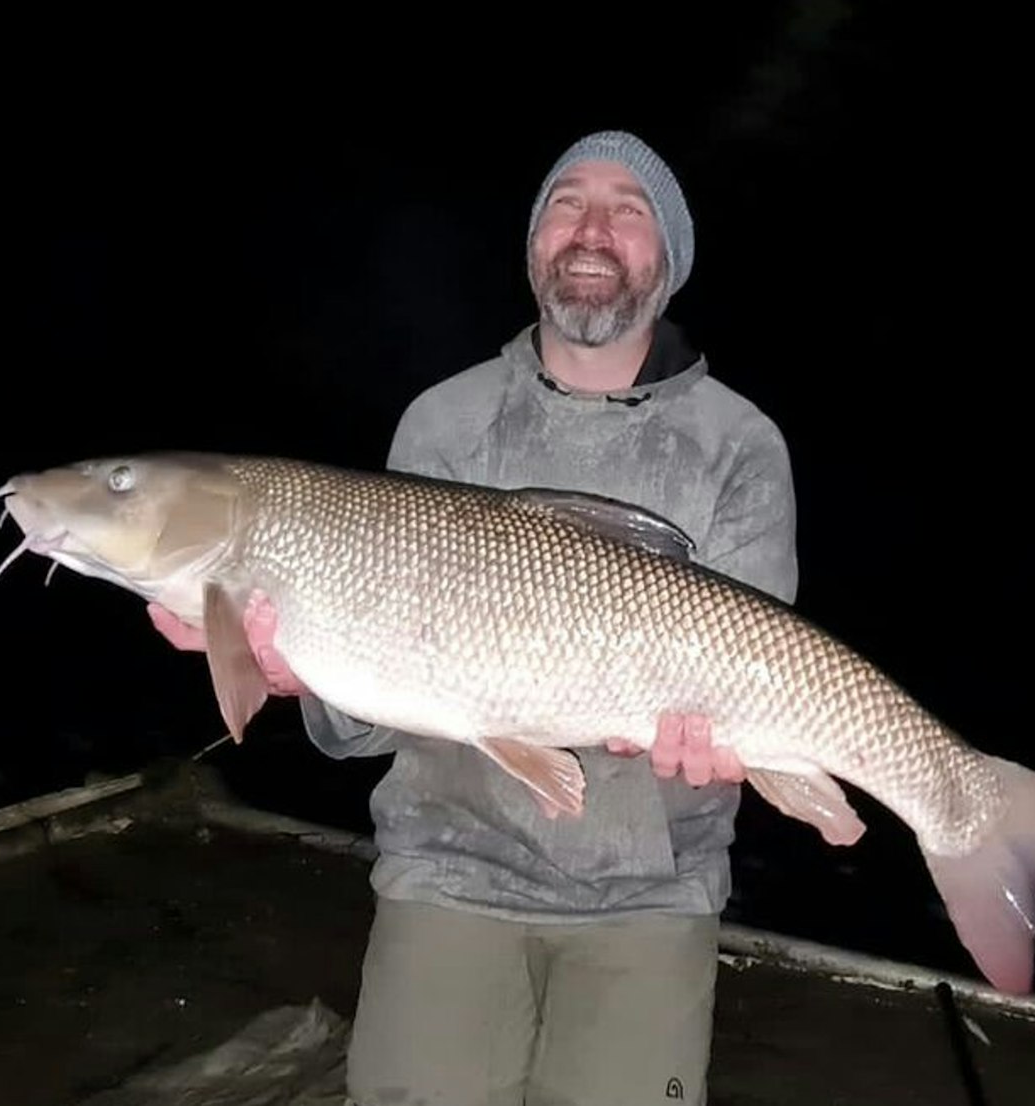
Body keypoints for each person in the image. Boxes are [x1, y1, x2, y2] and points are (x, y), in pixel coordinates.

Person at [151, 129, 798, 1106]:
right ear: (534, 246)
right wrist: (296, 674)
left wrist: (740, 741)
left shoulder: (740, 444)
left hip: (650, 896)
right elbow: (372, 714)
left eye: (628, 208)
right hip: (448, 870)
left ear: (669, 257)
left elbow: (754, 673)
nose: (591, 227)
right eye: (565, 202)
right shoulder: (445, 422)